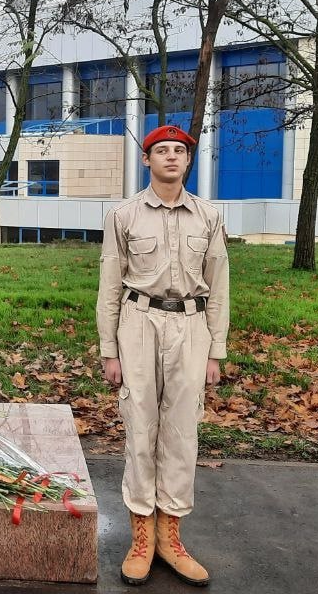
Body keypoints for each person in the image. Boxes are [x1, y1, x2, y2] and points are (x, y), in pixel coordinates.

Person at [96, 125, 229, 587]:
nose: (171, 157)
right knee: (140, 428)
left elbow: (219, 287)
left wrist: (216, 350)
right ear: (147, 160)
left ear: (188, 161)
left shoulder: (209, 216)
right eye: (162, 151)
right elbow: (110, 286)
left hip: (190, 327)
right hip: (138, 324)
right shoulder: (124, 215)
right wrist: (109, 350)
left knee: (181, 432)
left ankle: (170, 538)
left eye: (180, 151)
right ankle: (141, 538)